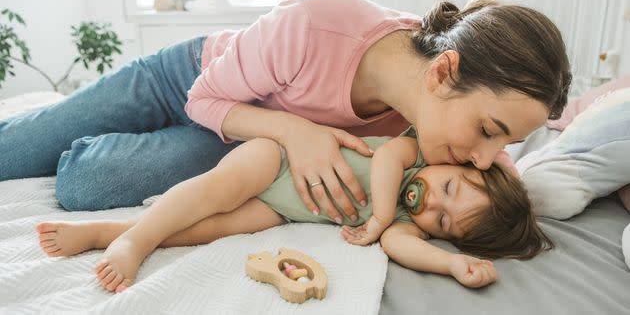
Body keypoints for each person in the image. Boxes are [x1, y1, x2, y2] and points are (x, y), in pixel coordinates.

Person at [1, 0, 572, 225]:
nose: (481, 158)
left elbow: (502, 177)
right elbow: (205, 96)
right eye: (489, 132)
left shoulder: (436, 120)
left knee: (87, 187)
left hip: (243, 136)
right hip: (191, 79)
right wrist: (298, 132)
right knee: (20, 147)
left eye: (503, 145)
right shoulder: (319, 26)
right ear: (445, 73)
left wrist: (513, 178)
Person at [36, 126, 552, 293]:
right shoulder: (415, 154)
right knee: (211, 192)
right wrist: (375, 217)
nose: (433, 201)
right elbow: (389, 159)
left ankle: (107, 231)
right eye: (451, 189)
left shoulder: (400, 224)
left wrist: (451, 264)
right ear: (463, 165)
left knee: (213, 228)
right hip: (275, 160)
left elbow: (400, 244)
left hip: (284, 208)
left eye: (442, 221)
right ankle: (135, 242)